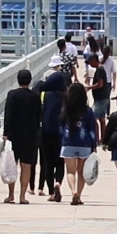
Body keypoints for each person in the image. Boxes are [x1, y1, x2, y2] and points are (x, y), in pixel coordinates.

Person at [3, 69, 42, 204]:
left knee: (12, 165)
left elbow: (8, 115)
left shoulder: (12, 95)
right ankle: (22, 196)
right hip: (31, 135)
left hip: (14, 135)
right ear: (30, 81)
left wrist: (6, 133)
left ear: (17, 80)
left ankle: (11, 195)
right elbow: (39, 116)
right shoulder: (35, 96)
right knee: (26, 166)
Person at [60, 83, 100, 205]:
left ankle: (73, 192)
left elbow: (61, 127)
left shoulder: (66, 109)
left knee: (70, 172)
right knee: (81, 172)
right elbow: (91, 130)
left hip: (68, 142)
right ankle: (79, 195)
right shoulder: (87, 111)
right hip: (84, 144)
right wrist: (94, 145)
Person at [39, 71, 68, 202]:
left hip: (46, 133)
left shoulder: (46, 95)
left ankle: (51, 192)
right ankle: (58, 183)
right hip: (61, 135)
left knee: (48, 164)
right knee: (60, 162)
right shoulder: (66, 97)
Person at [88, 53, 111, 137]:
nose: (90, 64)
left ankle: (96, 138)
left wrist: (89, 87)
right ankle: (103, 137)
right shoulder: (100, 69)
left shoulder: (100, 70)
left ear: (94, 60)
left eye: (90, 62)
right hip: (103, 98)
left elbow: (100, 84)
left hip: (100, 99)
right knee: (102, 119)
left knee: (92, 118)